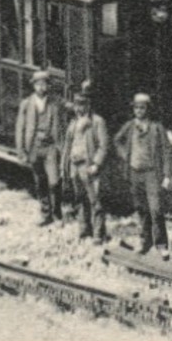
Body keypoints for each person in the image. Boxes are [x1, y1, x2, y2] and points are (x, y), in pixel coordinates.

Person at [114, 92, 172, 256]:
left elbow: (167, 152)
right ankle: (144, 241)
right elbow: (117, 140)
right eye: (136, 108)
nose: (139, 111)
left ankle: (161, 245)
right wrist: (125, 154)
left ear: (148, 109)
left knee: (156, 209)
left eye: (142, 108)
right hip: (135, 173)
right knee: (141, 209)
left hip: (152, 174)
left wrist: (167, 175)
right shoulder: (130, 126)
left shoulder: (157, 128)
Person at [61, 82, 111, 244]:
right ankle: (84, 230)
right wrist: (64, 167)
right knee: (80, 199)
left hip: (89, 166)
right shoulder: (73, 124)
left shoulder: (97, 122)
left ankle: (98, 234)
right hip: (75, 166)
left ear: (88, 105)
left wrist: (96, 163)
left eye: (82, 105)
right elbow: (66, 147)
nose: (78, 109)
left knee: (95, 200)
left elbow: (104, 146)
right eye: (76, 105)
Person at [16, 70, 66, 225]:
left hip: (51, 147)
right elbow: (20, 128)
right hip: (34, 147)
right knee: (40, 181)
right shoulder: (26, 104)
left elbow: (70, 106)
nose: (41, 87)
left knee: (55, 181)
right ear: (33, 86)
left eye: (44, 84)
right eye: (38, 84)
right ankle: (46, 214)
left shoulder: (55, 101)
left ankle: (57, 212)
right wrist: (21, 151)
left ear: (48, 86)